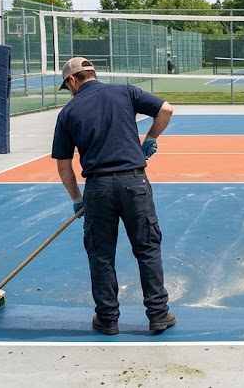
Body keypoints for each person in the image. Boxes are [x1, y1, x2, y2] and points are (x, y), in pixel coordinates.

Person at [51, 56, 177, 335]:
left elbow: (63, 165)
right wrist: (151, 138)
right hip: (135, 182)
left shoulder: (68, 112)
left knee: (101, 254)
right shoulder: (126, 92)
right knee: (147, 249)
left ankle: (107, 319)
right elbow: (166, 110)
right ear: (92, 74)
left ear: (72, 80)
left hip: (98, 189)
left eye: (67, 85)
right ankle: (158, 315)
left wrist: (76, 199)